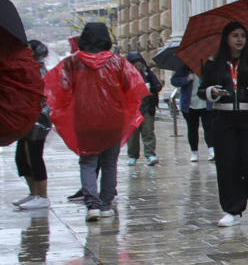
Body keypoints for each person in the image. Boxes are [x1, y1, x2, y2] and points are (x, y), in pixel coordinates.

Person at [45, 22, 146, 221]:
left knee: (88, 162)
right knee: (109, 163)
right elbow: (133, 88)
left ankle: (92, 204)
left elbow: (58, 89)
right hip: (113, 120)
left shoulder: (72, 63)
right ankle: (106, 205)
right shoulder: (118, 62)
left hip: (85, 120)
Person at [199, 22, 248, 227]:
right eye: (235, 35)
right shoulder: (214, 63)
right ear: (226, 38)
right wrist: (212, 92)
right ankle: (233, 210)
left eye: (242, 35)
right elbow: (202, 89)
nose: (239, 39)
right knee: (227, 166)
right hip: (223, 119)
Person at [12, 40, 50, 211]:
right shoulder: (27, 69)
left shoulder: (39, 70)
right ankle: (33, 193)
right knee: (21, 157)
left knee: (33, 156)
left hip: (39, 117)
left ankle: (42, 196)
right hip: (26, 115)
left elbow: (43, 94)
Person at [123, 51, 161, 167]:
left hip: (147, 108)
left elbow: (157, 85)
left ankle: (150, 155)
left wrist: (151, 90)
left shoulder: (147, 74)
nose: (137, 67)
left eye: (139, 64)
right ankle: (132, 156)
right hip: (132, 110)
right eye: (135, 65)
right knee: (132, 135)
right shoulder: (125, 76)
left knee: (148, 132)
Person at [171, 65, 206, 163]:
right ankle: (194, 152)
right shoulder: (183, 68)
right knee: (192, 128)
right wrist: (186, 79)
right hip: (189, 104)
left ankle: (212, 150)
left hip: (205, 102)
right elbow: (174, 81)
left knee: (209, 127)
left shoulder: (205, 66)